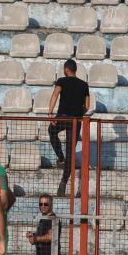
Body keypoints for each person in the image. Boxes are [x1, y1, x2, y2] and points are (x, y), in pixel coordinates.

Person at [46, 60, 91, 197]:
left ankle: (60, 157)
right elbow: (88, 106)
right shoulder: (84, 85)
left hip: (62, 117)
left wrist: (50, 112)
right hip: (75, 120)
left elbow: (54, 95)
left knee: (51, 131)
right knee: (71, 151)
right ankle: (64, 181)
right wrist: (79, 113)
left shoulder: (62, 81)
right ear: (75, 70)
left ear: (66, 69)